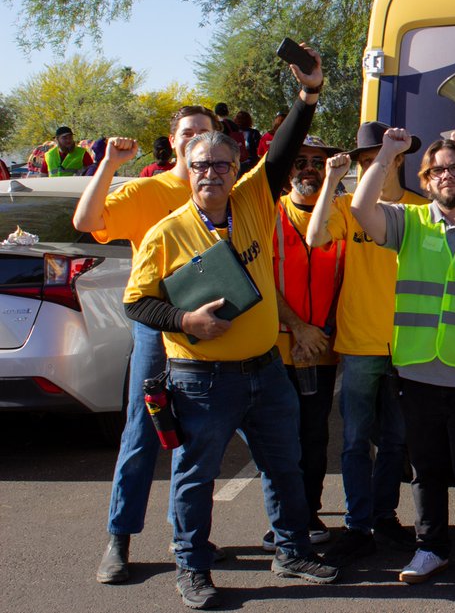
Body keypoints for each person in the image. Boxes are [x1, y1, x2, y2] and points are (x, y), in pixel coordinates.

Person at [123, 45, 338, 609]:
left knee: (284, 466)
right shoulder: (166, 233)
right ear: (186, 168)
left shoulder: (254, 202)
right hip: (200, 380)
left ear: (237, 169)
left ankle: (291, 551)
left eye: (221, 165)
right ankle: (192, 568)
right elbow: (137, 304)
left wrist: (309, 93)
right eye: (200, 165)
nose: (211, 174)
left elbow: (286, 147)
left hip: (265, 371)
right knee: (194, 478)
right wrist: (184, 319)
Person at [351, 133, 455, 602]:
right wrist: (388, 154)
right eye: (437, 170)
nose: (447, 175)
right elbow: (361, 208)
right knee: (425, 471)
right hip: (417, 371)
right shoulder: (409, 221)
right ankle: (431, 548)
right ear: (425, 181)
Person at [74, 107, 220, 586]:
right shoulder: (146, 191)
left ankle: (188, 537)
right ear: (173, 140)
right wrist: (109, 165)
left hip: (208, 329)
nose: (195, 139)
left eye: (204, 132)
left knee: (196, 435)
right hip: (156, 328)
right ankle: (119, 539)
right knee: (142, 431)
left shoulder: (224, 188)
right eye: (187, 132)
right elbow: (86, 220)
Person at [307, 121, 425, 567]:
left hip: (407, 343)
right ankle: (357, 525)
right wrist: (332, 181)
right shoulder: (346, 205)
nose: (374, 165)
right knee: (356, 441)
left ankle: (384, 518)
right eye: (365, 160)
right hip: (358, 342)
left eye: (383, 157)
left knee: (395, 441)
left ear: (400, 159)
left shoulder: (420, 207)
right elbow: (315, 237)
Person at [262, 134, 346, 552]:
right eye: (300, 161)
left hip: (322, 350)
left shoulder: (342, 215)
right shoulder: (267, 215)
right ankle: (282, 522)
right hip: (278, 348)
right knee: (279, 441)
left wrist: (322, 333)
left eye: (317, 161)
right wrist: (298, 328)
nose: (309, 169)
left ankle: (308, 513)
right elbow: (260, 278)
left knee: (314, 438)